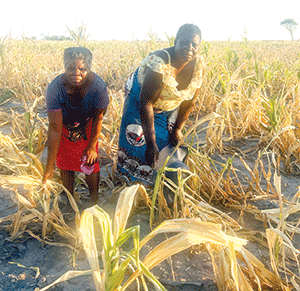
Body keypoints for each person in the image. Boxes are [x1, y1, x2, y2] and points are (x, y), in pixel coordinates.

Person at [116, 23, 204, 186]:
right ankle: (131, 180)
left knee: (167, 139)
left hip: (168, 101)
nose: (189, 48)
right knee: (137, 138)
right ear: (175, 41)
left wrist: (177, 128)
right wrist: (150, 144)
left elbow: (190, 101)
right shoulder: (159, 63)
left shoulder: (198, 65)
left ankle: (162, 177)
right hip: (140, 97)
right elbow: (146, 103)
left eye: (194, 44)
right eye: (184, 42)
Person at [43, 47, 109, 204]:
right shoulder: (55, 89)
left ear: (89, 68)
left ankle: (94, 201)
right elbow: (54, 129)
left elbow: (98, 117)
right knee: (64, 163)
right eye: (71, 68)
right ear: (64, 65)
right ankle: (69, 197)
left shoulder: (98, 87)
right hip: (63, 125)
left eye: (82, 69)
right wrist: (50, 167)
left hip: (89, 123)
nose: (76, 73)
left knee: (90, 162)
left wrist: (92, 146)